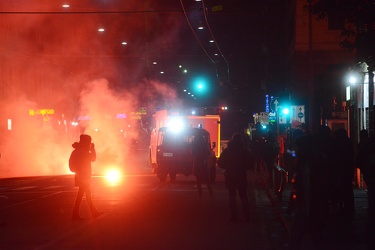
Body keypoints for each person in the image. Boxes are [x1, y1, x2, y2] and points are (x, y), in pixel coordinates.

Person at [218, 132, 252, 222]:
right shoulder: (244, 151)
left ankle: (234, 216)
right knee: (243, 196)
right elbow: (250, 163)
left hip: (230, 175)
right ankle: (247, 216)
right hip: (241, 175)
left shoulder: (227, 151)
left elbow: (220, 163)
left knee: (232, 197)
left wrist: (228, 167)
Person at [69, 134, 103, 220]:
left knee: (82, 194)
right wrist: (93, 149)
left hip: (81, 175)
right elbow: (93, 158)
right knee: (86, 194)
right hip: (83, 176)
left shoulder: (78, 150)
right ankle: (91, 212)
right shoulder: (83, 151)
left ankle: (77, 214)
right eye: (89, 142)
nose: (90, 143)